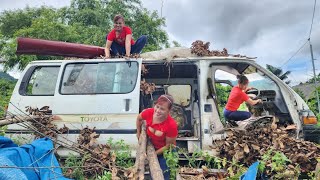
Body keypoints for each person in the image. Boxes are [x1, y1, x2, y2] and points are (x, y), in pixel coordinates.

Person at [136, 94, 178, 180]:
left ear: (168, 110)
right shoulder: (150, 112)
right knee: (152, 174)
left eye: (162, 109)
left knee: (162, 175)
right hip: (153, 146)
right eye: (157, 106)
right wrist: (138, 133)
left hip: (165, 152)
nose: (158, 110)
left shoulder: (171, 125)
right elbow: (138, 118)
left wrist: (153, 155)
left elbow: (169, 146)